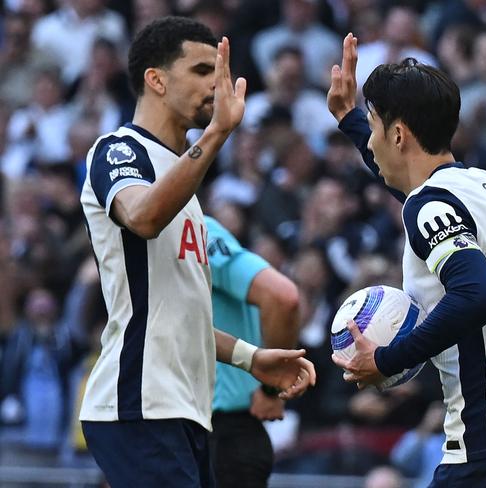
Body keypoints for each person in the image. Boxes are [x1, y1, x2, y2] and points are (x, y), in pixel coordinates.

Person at [328, 33, 486, 487]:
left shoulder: (428, 206)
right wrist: (350, 118)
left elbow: (476, 295)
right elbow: (415, 189)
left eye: (373, 129)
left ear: (399, 133)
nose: (369, 144)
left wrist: (388, 360)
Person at [79, 17, 315, 488]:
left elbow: (179, 314)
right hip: (139, 402)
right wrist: (215, 136)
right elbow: (142, 216)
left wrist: (252, 357)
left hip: (186, 408)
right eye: (203, 69)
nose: (217, 83)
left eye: (221, 70)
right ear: (156, 79)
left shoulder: (186, 186)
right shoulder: (118, 150)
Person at [205, 213, 300, 487]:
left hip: (224, 437)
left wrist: (272, 387)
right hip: (200, 433)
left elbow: (283, 297)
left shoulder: (198, 231)